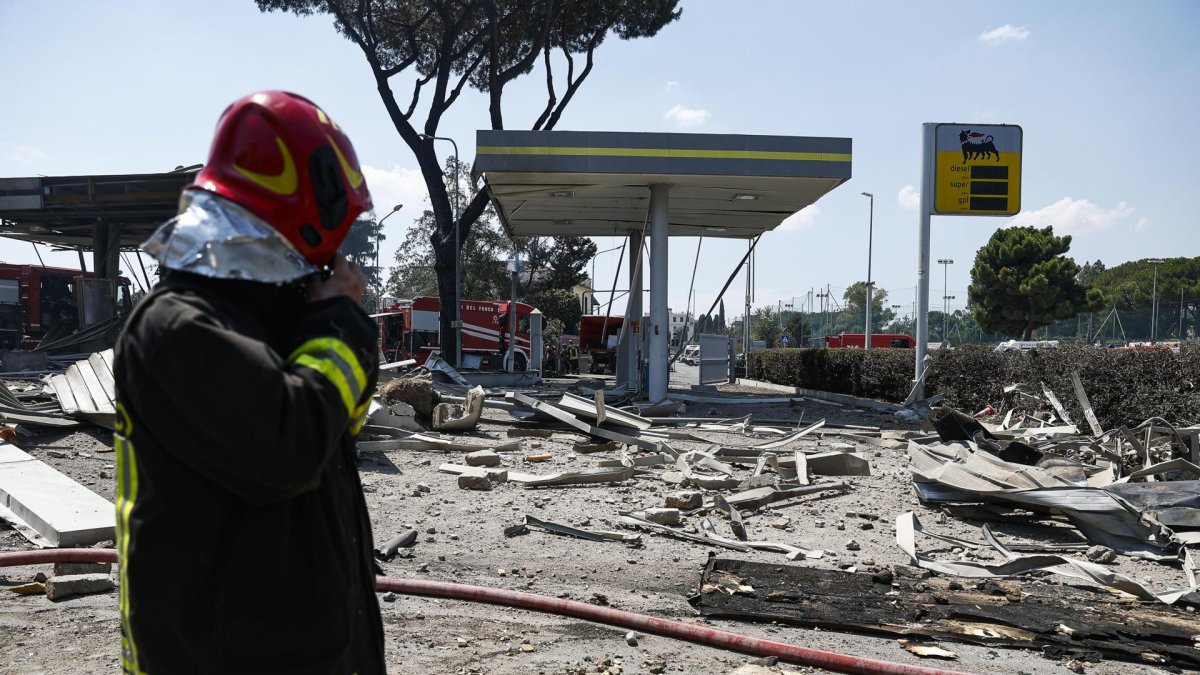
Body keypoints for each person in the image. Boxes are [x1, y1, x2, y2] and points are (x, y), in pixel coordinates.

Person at [113, 91, 384, 674]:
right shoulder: (176, 329)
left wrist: (328, 325)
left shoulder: (274, 318)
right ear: (306, 211)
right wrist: (340, 326)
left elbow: (342, 422)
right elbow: (292, 449)